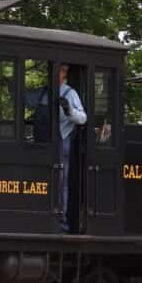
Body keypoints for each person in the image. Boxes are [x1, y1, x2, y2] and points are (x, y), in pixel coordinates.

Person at [56, 63, 87, 231]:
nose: (59, 73)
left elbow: (82, 118)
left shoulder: (70, 93)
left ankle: (61, 220)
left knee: (61, 183)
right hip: (44, 142)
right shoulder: (44, 92)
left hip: (62, 142)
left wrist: (69, 111)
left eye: (62, 71)